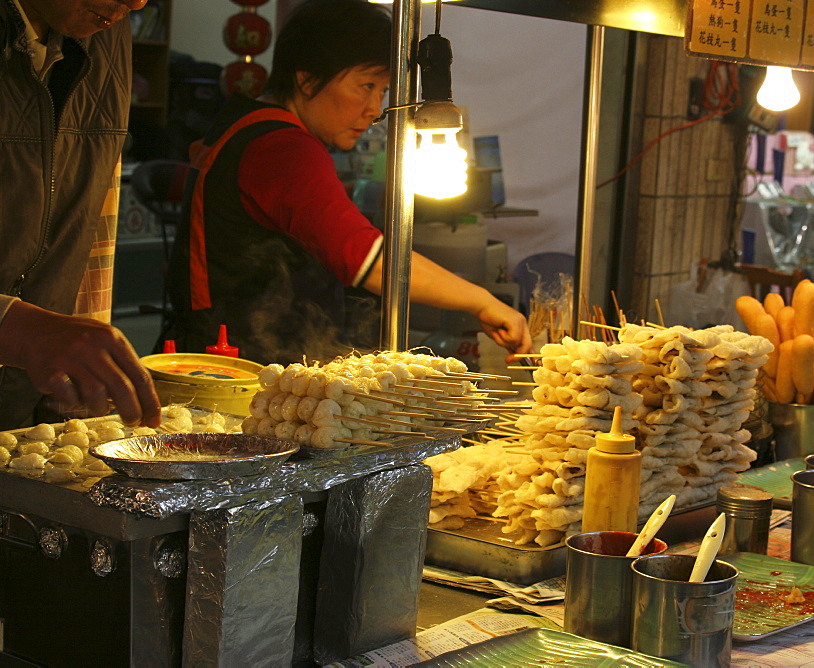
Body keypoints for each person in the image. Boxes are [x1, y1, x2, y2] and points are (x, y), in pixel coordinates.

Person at [166, 0, 532, 365]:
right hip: (236, 364)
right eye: (366, 85)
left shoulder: (247, 122)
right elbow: (365, 259)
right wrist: (482, 301)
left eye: (384, 91)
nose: (375, 109)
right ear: (306, 79)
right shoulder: (283, 147)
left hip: (226, 348)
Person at [0, 0, 161, 430]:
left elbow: (91, 233)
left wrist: (72, 410)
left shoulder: (104, 27)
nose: (137, 2)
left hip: (20, 410)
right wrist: (14, 328)